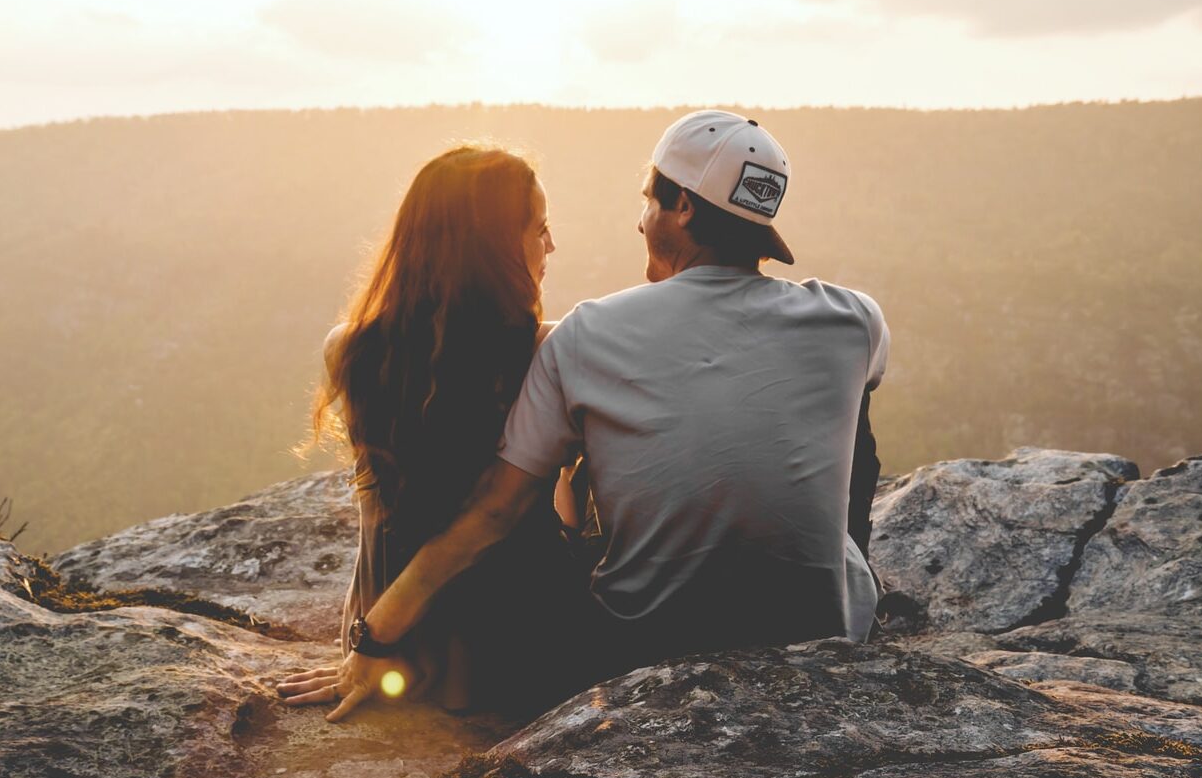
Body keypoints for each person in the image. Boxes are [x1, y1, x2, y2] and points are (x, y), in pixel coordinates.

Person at [280, 110, 887, 722]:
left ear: (681, 208)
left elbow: (494, 509)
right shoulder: (855, 319)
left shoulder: (586, 336)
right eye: (540, 229)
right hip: (822, 638)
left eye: (650, 200)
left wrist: (373, 634)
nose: (639, 218)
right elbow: (847, 441)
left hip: (637, 647)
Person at [292, 144, 585, 715]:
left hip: (409, 642)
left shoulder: (348, 349)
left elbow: (376, 515)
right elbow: (502, 515)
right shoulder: (549, 350)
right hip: (528, 641)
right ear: (494, 248)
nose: (551, 246)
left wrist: (371, 636)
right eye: (539, 228)